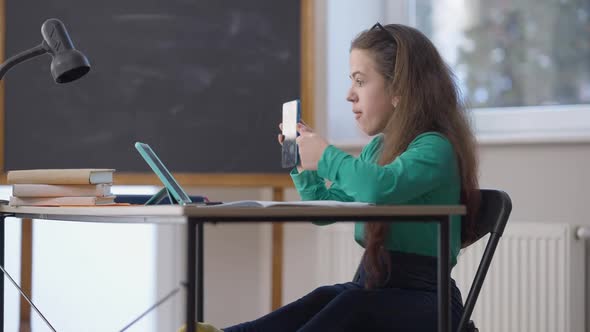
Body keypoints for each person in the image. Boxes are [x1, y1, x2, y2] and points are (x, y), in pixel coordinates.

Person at [181, 22, 479, 332]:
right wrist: (303, 165)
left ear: (399, 91)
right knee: (321, 299)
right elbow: (324, 210)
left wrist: (325, 156)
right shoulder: (378, 148)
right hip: (375, 289)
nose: (350, 95)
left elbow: (379, 187)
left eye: (360, 81)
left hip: (426, 301)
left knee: (351, 305)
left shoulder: (435, 147)